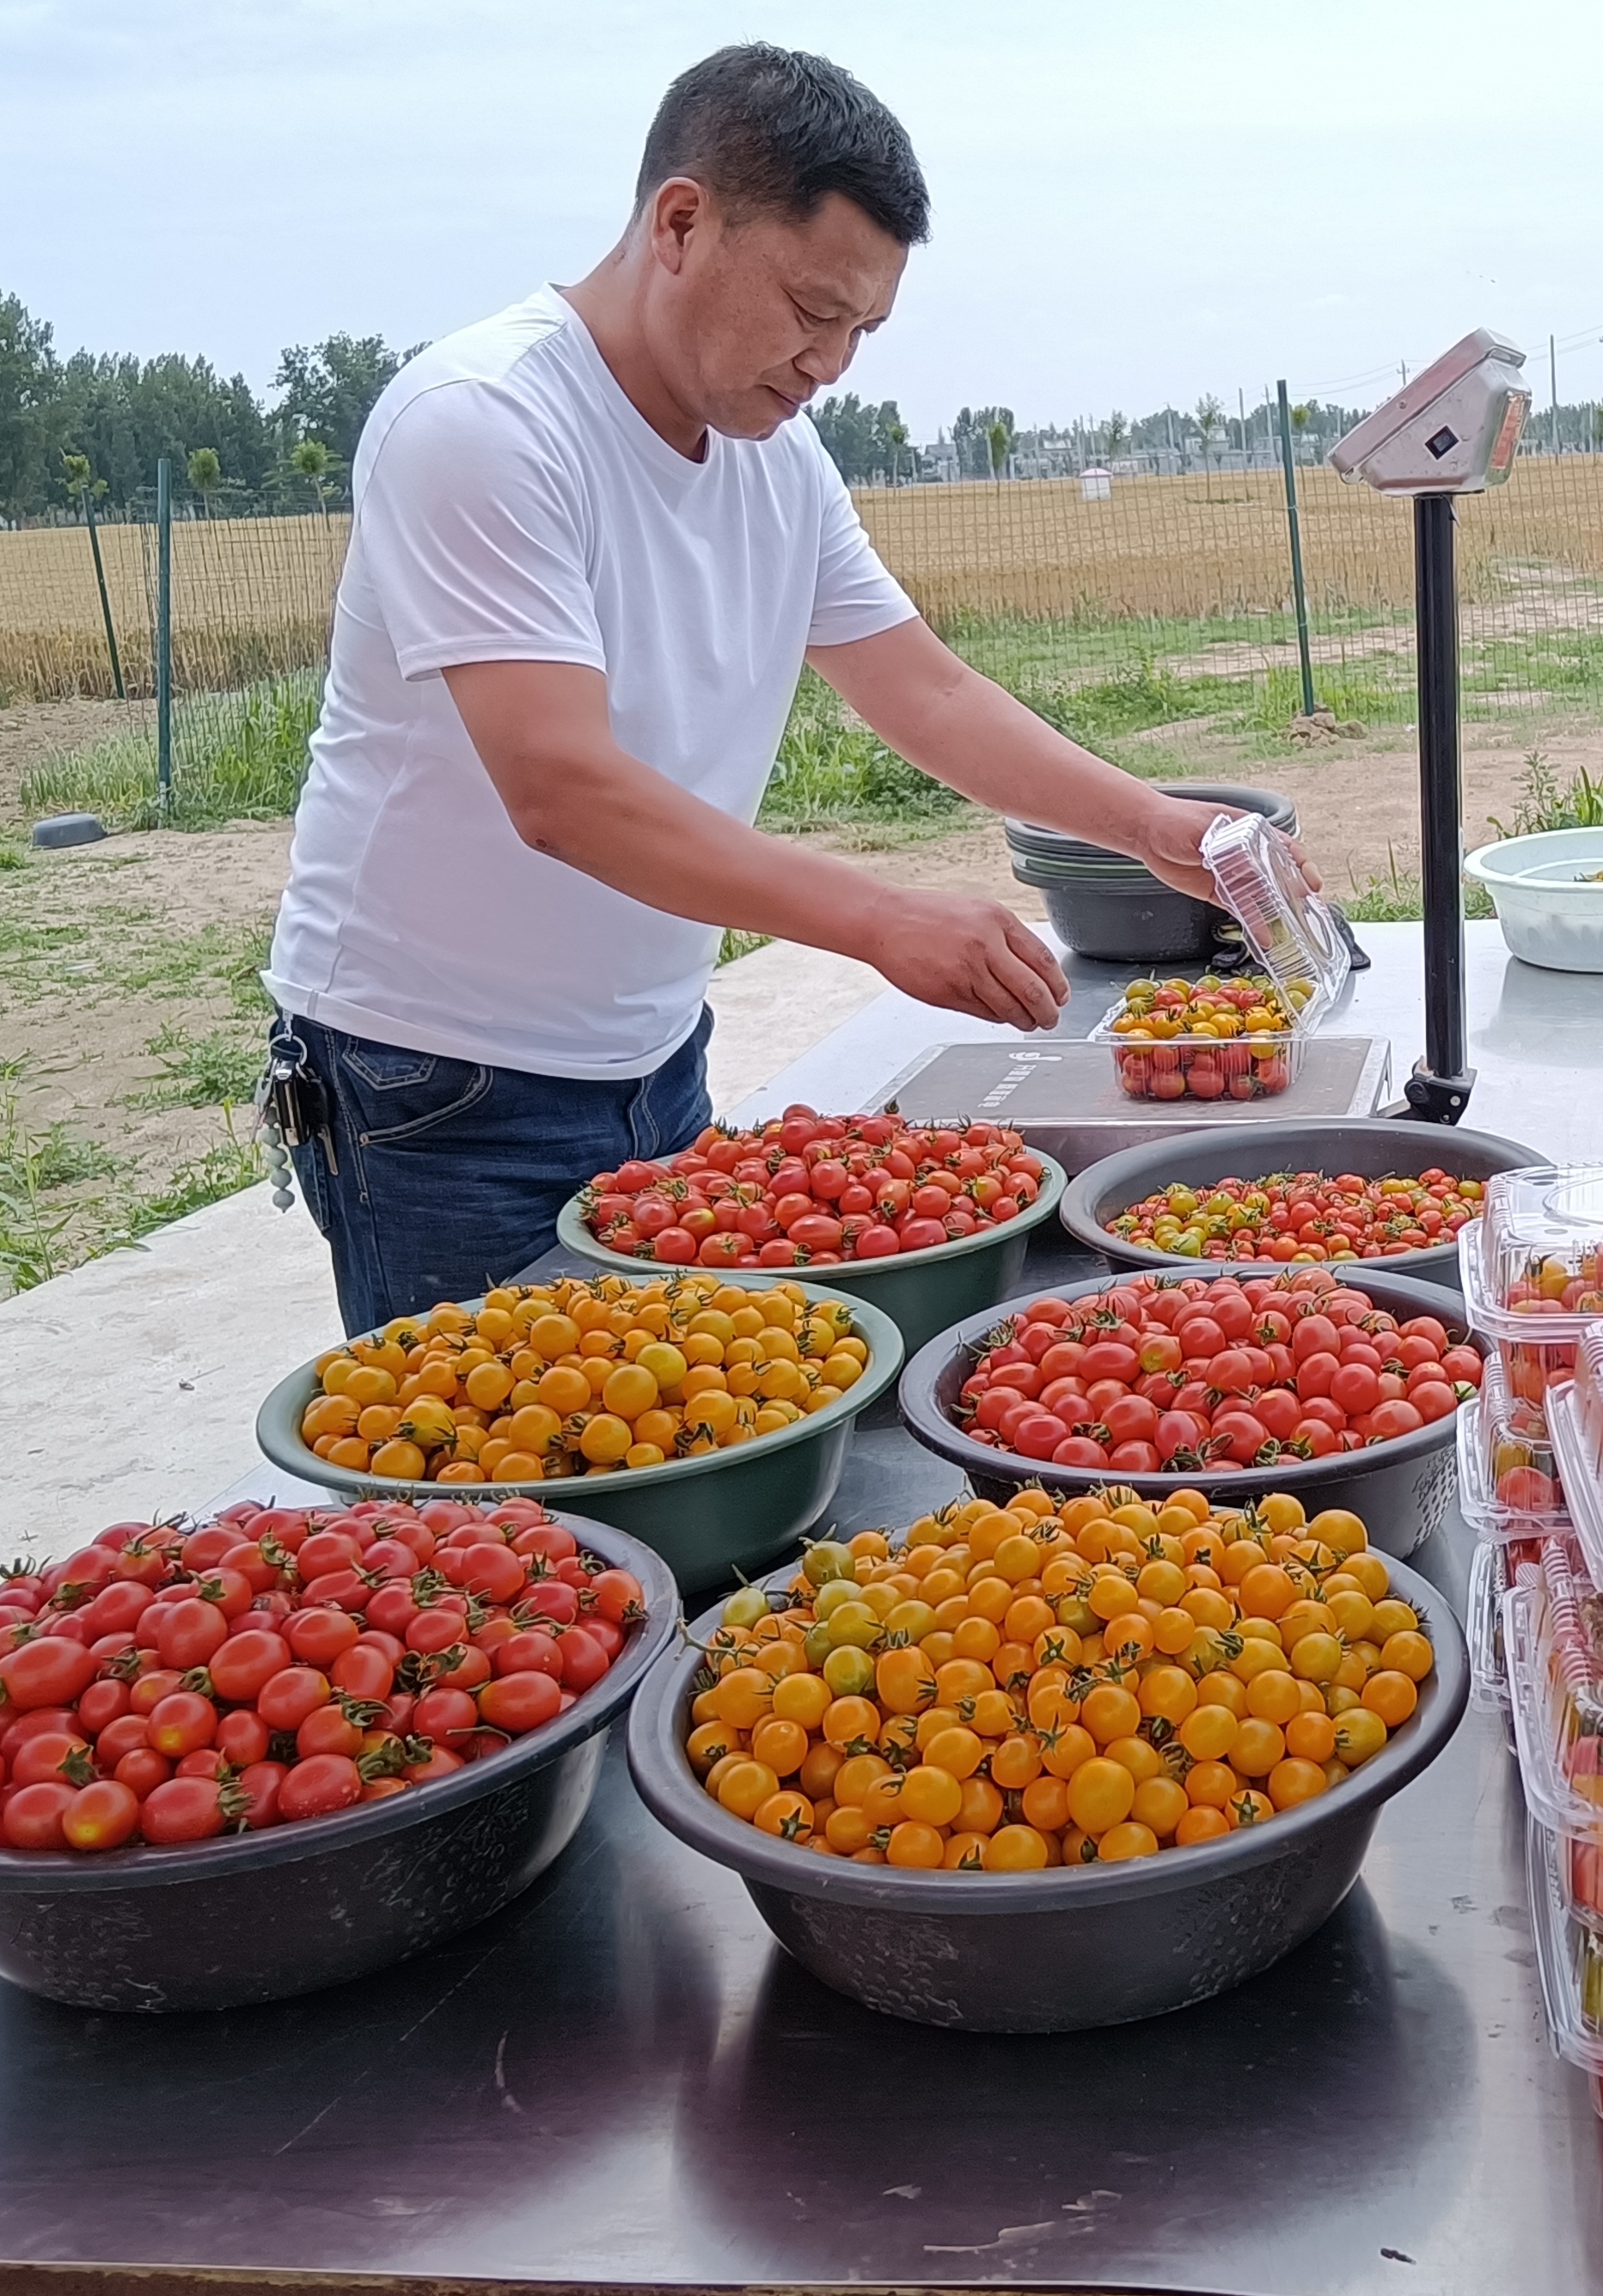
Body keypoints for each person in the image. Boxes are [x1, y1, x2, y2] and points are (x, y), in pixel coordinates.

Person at [265, 43, 1223, 1336]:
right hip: (437, 1084)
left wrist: (1152, 826)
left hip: (655, 1057)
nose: (831, 362)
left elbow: (922, 690)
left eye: (862, 330)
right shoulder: (484, 423)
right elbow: (563, 790)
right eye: (811, 309)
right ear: (680, 221)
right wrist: (879, 918)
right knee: (498, 1494)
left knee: (672, 1426)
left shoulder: (777, 456)